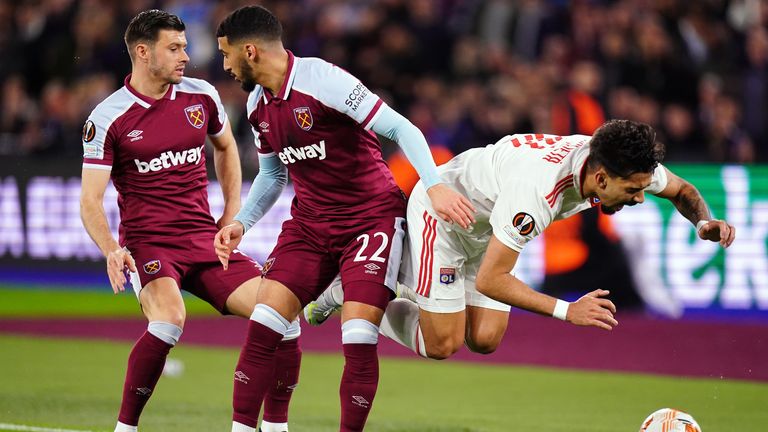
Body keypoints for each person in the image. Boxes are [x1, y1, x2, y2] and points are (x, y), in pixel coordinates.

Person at [212, 5, 475, 432]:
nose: (224, 64)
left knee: (356, 337)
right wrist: (242, 222)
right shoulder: (258, 103)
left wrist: (434, 185)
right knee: (264, 323)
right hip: (311, 225)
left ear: (250, 51)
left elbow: (402, 129)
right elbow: (274, 173)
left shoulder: (323, 80)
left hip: (369, 222)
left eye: (226, 55)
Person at [308, 120, 736, 361]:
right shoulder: (538, 193)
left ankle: (408, 287)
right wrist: (569, 311)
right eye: (632, 191)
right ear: (601, 178)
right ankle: (354, 292)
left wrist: (703, 222)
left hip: (488, 225)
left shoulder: (617, 162)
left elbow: (681, 190)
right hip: (446, 217)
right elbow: (495, 280)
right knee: (442, 344)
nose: (641, 197)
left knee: (486, 339)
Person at [79, 10, 301, 432]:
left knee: (282, 313)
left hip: (203, 240)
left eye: (184, 46)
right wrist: (111, 248)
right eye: (174, 47)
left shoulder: (201, 96)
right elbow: (90, 199)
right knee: (169, 319)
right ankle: (125, 428)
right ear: (143, 53)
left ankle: (275, 427)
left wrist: (230, 214)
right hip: (150, 245)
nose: (187, 54)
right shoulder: (108, 117)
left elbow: (226, 149)